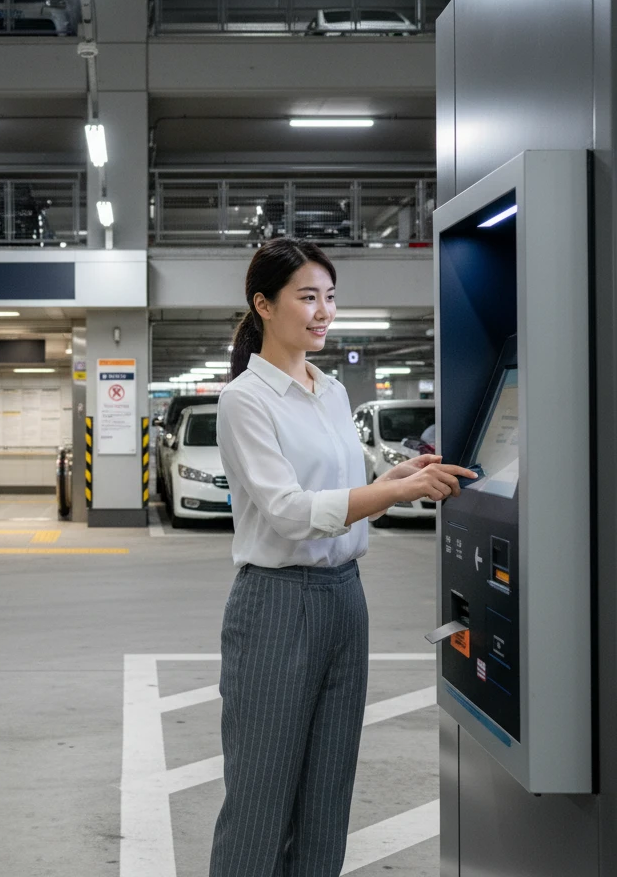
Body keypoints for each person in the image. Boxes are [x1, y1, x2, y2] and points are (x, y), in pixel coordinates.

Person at [209, 238, 475, 876]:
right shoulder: (245, 399)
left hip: (343, 598)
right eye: (307, 297)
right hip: (276, 604)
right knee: (260, 799)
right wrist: (391, 490)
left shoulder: (330, 391)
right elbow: (290, 511)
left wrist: (396, 478)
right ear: (263, 305)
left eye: (330, 298)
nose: (324, 311)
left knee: (327, 794)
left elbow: (342, 499)